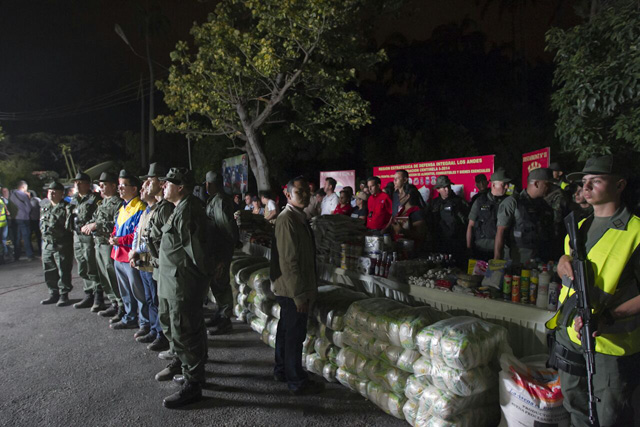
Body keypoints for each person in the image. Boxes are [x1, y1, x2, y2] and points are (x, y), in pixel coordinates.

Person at [546, 154, 640, 426]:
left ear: (620, 185)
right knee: (575, 408)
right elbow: (568, 271)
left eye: (595, 181)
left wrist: (608, 318)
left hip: (610, 346)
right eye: (584, 182)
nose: (585, 188)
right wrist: (562, 263)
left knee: (610, 417)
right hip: (570, 337)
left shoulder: (635, 231)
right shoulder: (578, 227)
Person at [155, 167, 211, 408]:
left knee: (185, 332)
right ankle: (192, 375)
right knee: (181, 330)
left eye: (168, 183)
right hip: (172, 280)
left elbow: (197, 252)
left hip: (182, 283)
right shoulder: (180, 208)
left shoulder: (188, 210)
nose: (163, 187)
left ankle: (193, 385)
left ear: (179, 187)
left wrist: (200, 282)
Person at [272, 175, 324, 395]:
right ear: (288, 194)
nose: (304, 195)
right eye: (299, 192)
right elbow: (289, 261)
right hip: (292, 289)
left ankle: (283, 370)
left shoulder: (298, 217)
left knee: (286, 331)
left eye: (306, 191)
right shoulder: (287, 219)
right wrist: (299, 294)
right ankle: (296, 380)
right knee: (294, 335)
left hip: (291, 288)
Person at [109, 170, 149, 339]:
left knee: (138, 292)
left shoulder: (140, 207)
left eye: (123, 185)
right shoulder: (123, 207)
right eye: (119, 185)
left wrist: (119, 240)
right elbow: (117, 228)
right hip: (118, 255)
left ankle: (144, 322)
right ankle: (130, 317)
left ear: (134, 188)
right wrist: (114, 238)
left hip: (129, 256)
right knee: (125, 291)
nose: (120, 189)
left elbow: (137, 235)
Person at [138, 163, 174, 352]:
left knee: (164, 306)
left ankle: (165, 337)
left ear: (160, 183)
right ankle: (158, 331)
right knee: (154, 301)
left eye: (150, 180)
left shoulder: (166, 208)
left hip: (162, 265)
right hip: (154, 262)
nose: (146, 184)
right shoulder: (158, 207)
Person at [81, 172, 124, 322]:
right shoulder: (102, 203)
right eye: (100, 184)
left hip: (108, 245)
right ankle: (114, 302)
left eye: (104, 184)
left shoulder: (118, 203)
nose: (101, 187)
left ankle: (122, 306)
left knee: (112, 276)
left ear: (114, 186)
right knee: (104, 276)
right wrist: (89, 224)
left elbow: (116, 224)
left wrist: (96, 225)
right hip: (99, 244)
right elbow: (95, 218)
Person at [495, 168, 555, 265]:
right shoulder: (512, 202)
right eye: (547, 184)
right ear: (536, 184)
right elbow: (500, 232)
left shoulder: (543, 205)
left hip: (538, 260)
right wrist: (497, 262)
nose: (550, 188)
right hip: (516, 260)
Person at [204, 170, 239, 336]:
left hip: (220, 250)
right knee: (217, 284)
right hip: (216, 249)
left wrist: (224, 254)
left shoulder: (219, 201)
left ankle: (225, 320)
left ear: (209, 184)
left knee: (221, 284)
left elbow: (225, 228)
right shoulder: (216, 200)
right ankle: (220, 314)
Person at [68, 172, 104, 311]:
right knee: (82, 265)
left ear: (87, 184)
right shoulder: (74, 199)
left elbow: (99, 217)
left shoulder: (95, 199)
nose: (77, 184)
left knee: (92, 265)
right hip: (77, 236)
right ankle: (88, 293)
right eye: (75, 182)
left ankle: (98, 296)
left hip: (89, 237)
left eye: (80, 182)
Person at [39, 181, 74, 306]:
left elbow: (69, 227)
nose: (51, 194)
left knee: (63, 269)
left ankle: (64, 294)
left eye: (54, 192)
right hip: (47, 243)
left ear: (61, 193)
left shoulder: (67, 207)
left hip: (62, 243)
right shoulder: (45, 206)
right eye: (49, 191)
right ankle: (53, 293)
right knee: (49, 269)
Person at [466, 168, 511, 261]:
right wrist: (468, 248)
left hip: (503, 249)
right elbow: (471, 225)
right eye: (504, 184)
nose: (507, 187)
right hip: (481, 248)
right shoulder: (479, 201)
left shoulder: (509, 201)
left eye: (508, 184)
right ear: (493, 185)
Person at [430, 175, 469, 261]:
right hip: (440, 244)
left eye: (448, 186)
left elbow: (467, 223)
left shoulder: (460, 202)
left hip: (457, 244)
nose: (447, 190)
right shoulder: (434, 204)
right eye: (443, 188)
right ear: (438, 189)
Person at [392, 187, 429, 253]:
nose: (398, 195)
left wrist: (402, 230)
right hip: (401, 249)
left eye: (401, 193)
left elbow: (420, 234)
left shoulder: (417, 212)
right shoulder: (402, 211)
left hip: (413, 251)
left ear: (407, 196)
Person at [10, 180, 34, 261]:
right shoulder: (24, 195)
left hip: (15, 218)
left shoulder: (12, 195)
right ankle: (29, 255)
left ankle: (16, 255)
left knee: (17, 237)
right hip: (24, 218)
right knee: (26, 236)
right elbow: (29, 207)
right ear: (23, 187)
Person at [28, 190, 42, 256]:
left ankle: (37, 251)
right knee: (38, 236)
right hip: (37, 219)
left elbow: (30, 208)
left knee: (35, 236)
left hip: (34, 220)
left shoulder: (33, 200)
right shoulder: (38, 199)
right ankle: (40, 250)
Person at [0, 193, 8, 264]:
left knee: (2, 241)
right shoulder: (2, 200)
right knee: (3, 240)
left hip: (1, 224)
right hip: (3, 223)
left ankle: (3, 256)